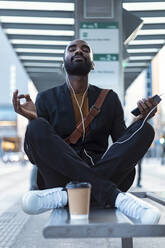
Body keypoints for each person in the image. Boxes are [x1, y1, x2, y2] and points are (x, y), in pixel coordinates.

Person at [12, 39, 160, 224]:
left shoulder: (109, 98)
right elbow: (35, 157)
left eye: (85, 49)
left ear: (92, 63)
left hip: (103, 168)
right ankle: (114, 197)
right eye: (72, 49)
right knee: (36, 127)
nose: (78, 51)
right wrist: (33, 120)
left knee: (145, 130)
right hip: (61, 175)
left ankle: (66, 196)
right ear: (63, 62)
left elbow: (121, 142)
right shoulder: (45, 98)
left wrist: (140, 120)